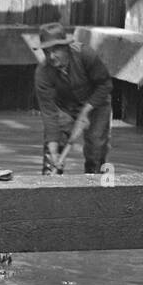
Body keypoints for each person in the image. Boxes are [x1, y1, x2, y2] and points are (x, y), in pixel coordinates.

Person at [33, 22, 112, 174]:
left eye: (55, 50)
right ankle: (49, 182)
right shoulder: (42, 73)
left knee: (96, 146)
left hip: (97, 103)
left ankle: (95, 183)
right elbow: (49, 115)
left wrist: (86, 111)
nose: (51, 56)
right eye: (46, 51)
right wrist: (53, 150)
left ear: (66, 48)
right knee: (52, 152)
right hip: (65, 107)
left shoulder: (86, 55)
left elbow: (105, 85)